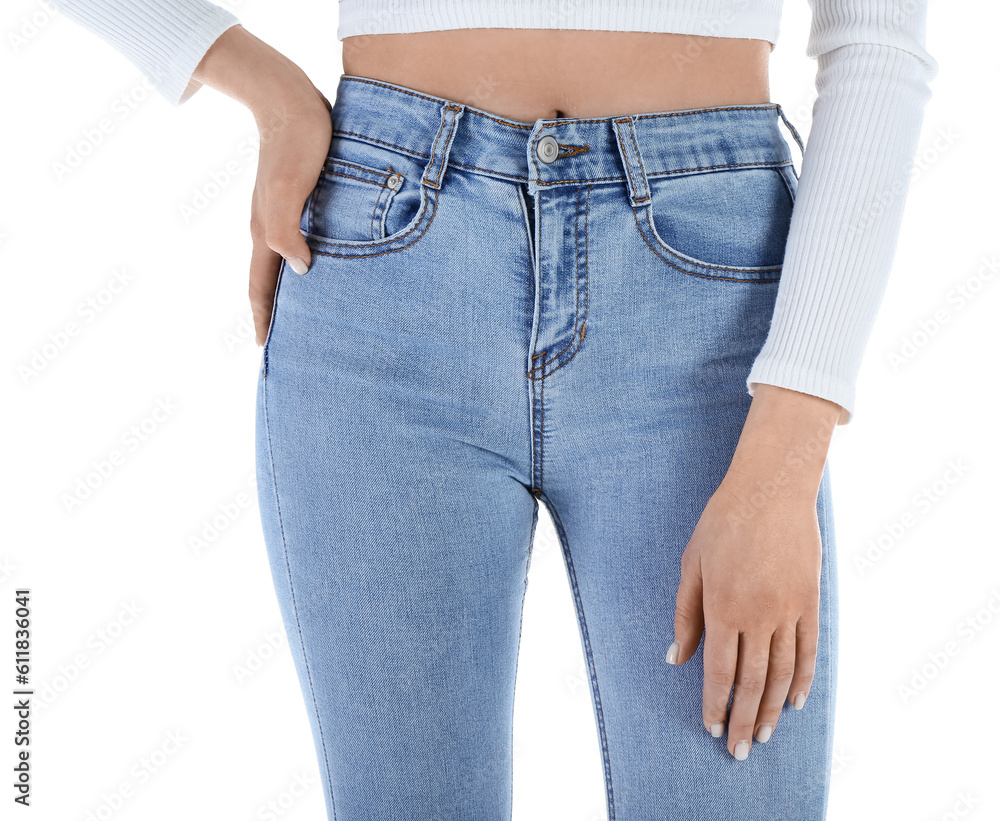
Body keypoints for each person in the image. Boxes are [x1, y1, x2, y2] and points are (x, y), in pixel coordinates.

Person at [44, 2, 938, 819]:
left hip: (705, 314)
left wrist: (787, 458)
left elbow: (878, 43)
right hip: (385, 274)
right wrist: (259, 83)